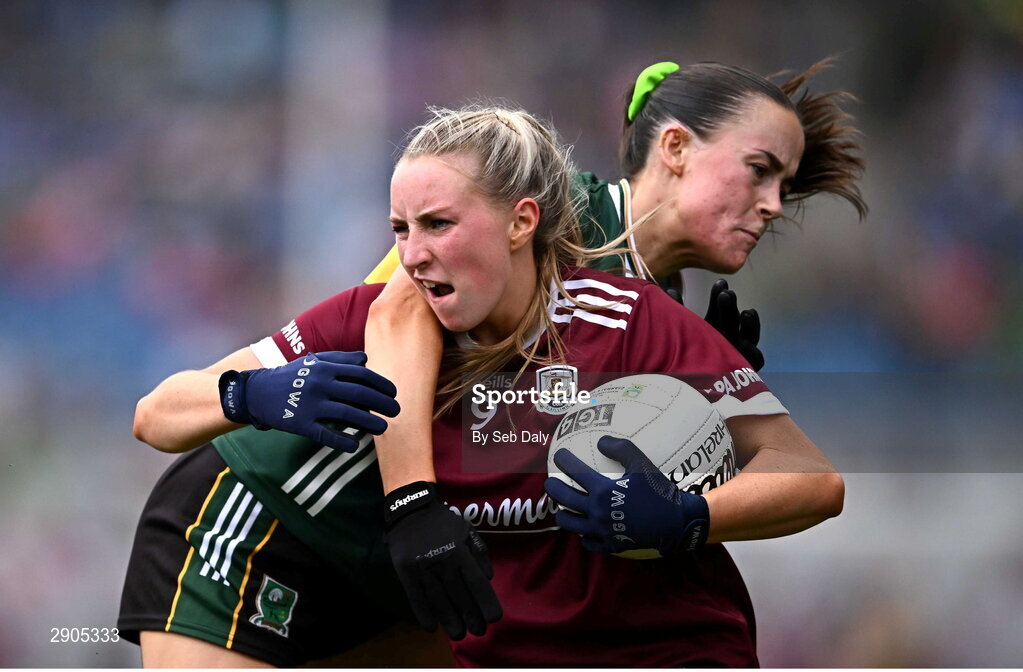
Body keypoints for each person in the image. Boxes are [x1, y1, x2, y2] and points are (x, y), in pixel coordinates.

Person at [120, 101, 847, 667]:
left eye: (438, 223)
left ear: (520, 222)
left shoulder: (626, 316)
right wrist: (253, 395)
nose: (411, 255)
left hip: (633, 643)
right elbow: (156, 414)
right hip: (279, 548)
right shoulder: (374, 318)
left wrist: (691, 515)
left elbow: (811, 478)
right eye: (399, 228)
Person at [363, 59, 865, 640]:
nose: (775, 203)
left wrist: (696, 415)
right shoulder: (564, 210)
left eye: (784, 186)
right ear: (675, 147)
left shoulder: (654, 305)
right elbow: (395, 313)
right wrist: (411, 503)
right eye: (759, 170)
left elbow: (524, 438)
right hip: (311, 517)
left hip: (426, 576)